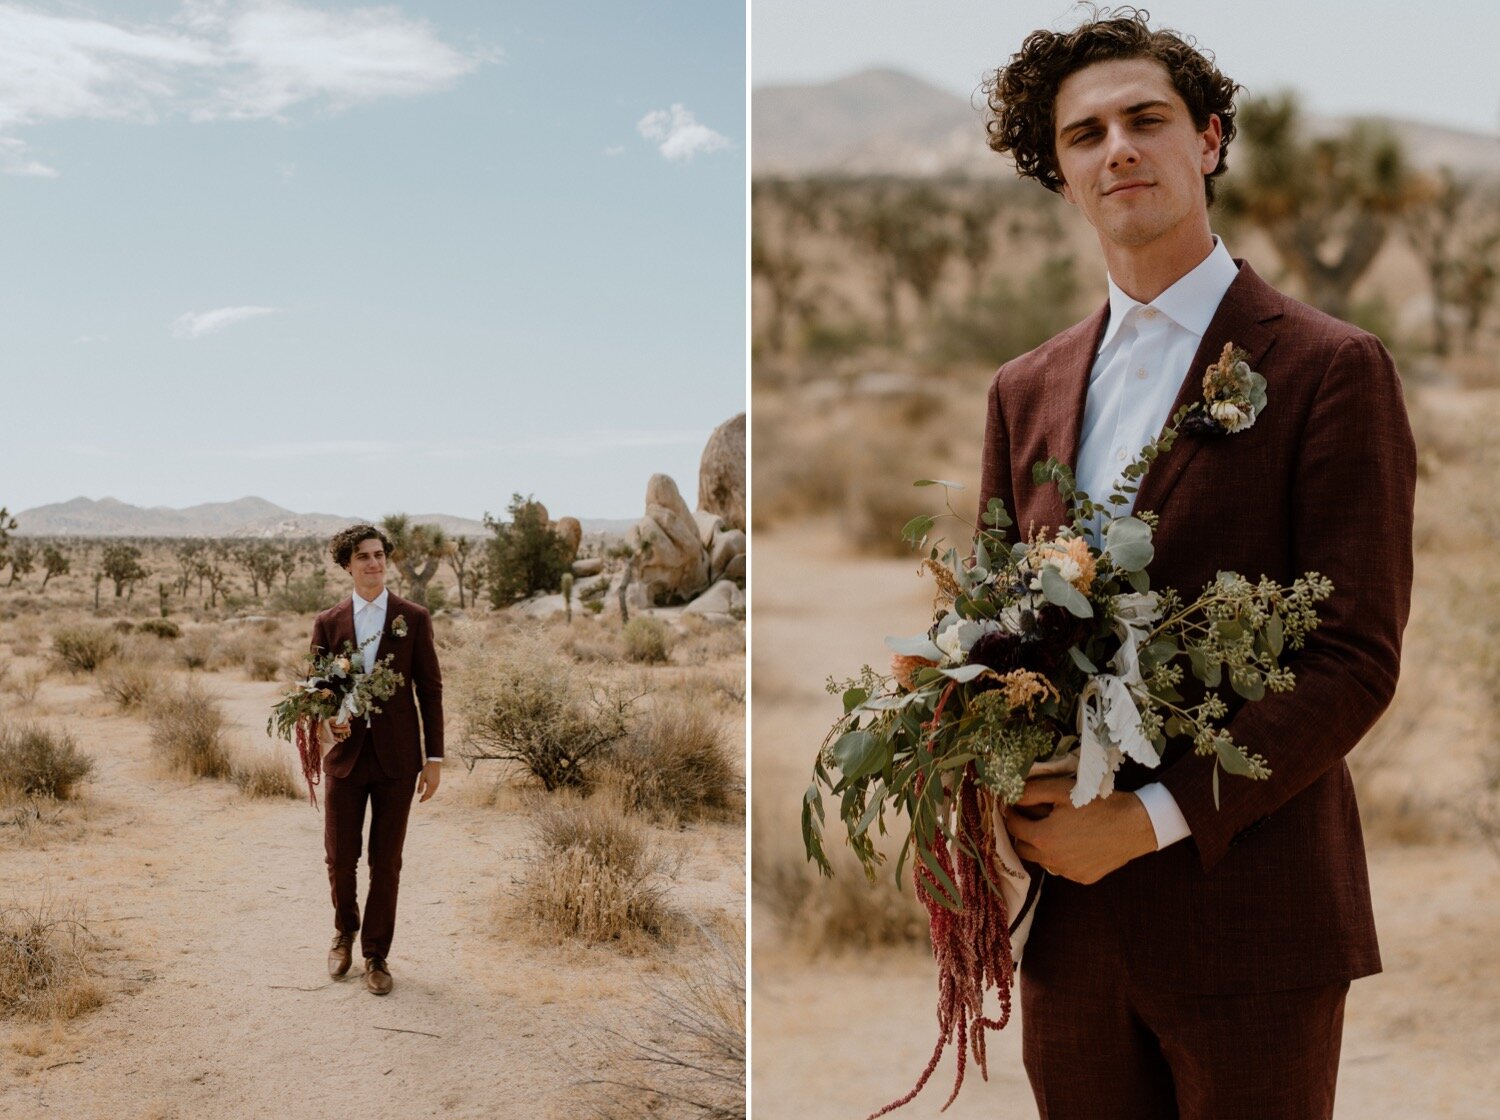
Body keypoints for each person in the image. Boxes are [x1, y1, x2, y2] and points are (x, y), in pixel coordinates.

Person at [977, 10, 1416, 1119]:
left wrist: (1144, 819)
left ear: (1208, 140)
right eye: (1085, 135)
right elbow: (997, 625)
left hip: (1253, 919)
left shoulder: (1330, 367)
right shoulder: (1023, 390)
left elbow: (1355, 659)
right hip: (1072, 932)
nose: (1117, 148)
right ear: (1062, 173)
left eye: (1145, 119)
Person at [311, 524, 444, 996]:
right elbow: (319, 691)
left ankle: (375, 953)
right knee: (339, 858)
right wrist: (329, 721)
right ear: (347, 564)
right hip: (346, 760)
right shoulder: (329, 622)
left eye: (379, 555)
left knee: (386, 862)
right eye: (363, 557)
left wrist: (434, 759)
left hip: (398, 759)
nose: (373, 563)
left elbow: (429, 690)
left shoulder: (413, 617)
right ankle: (344, 931)